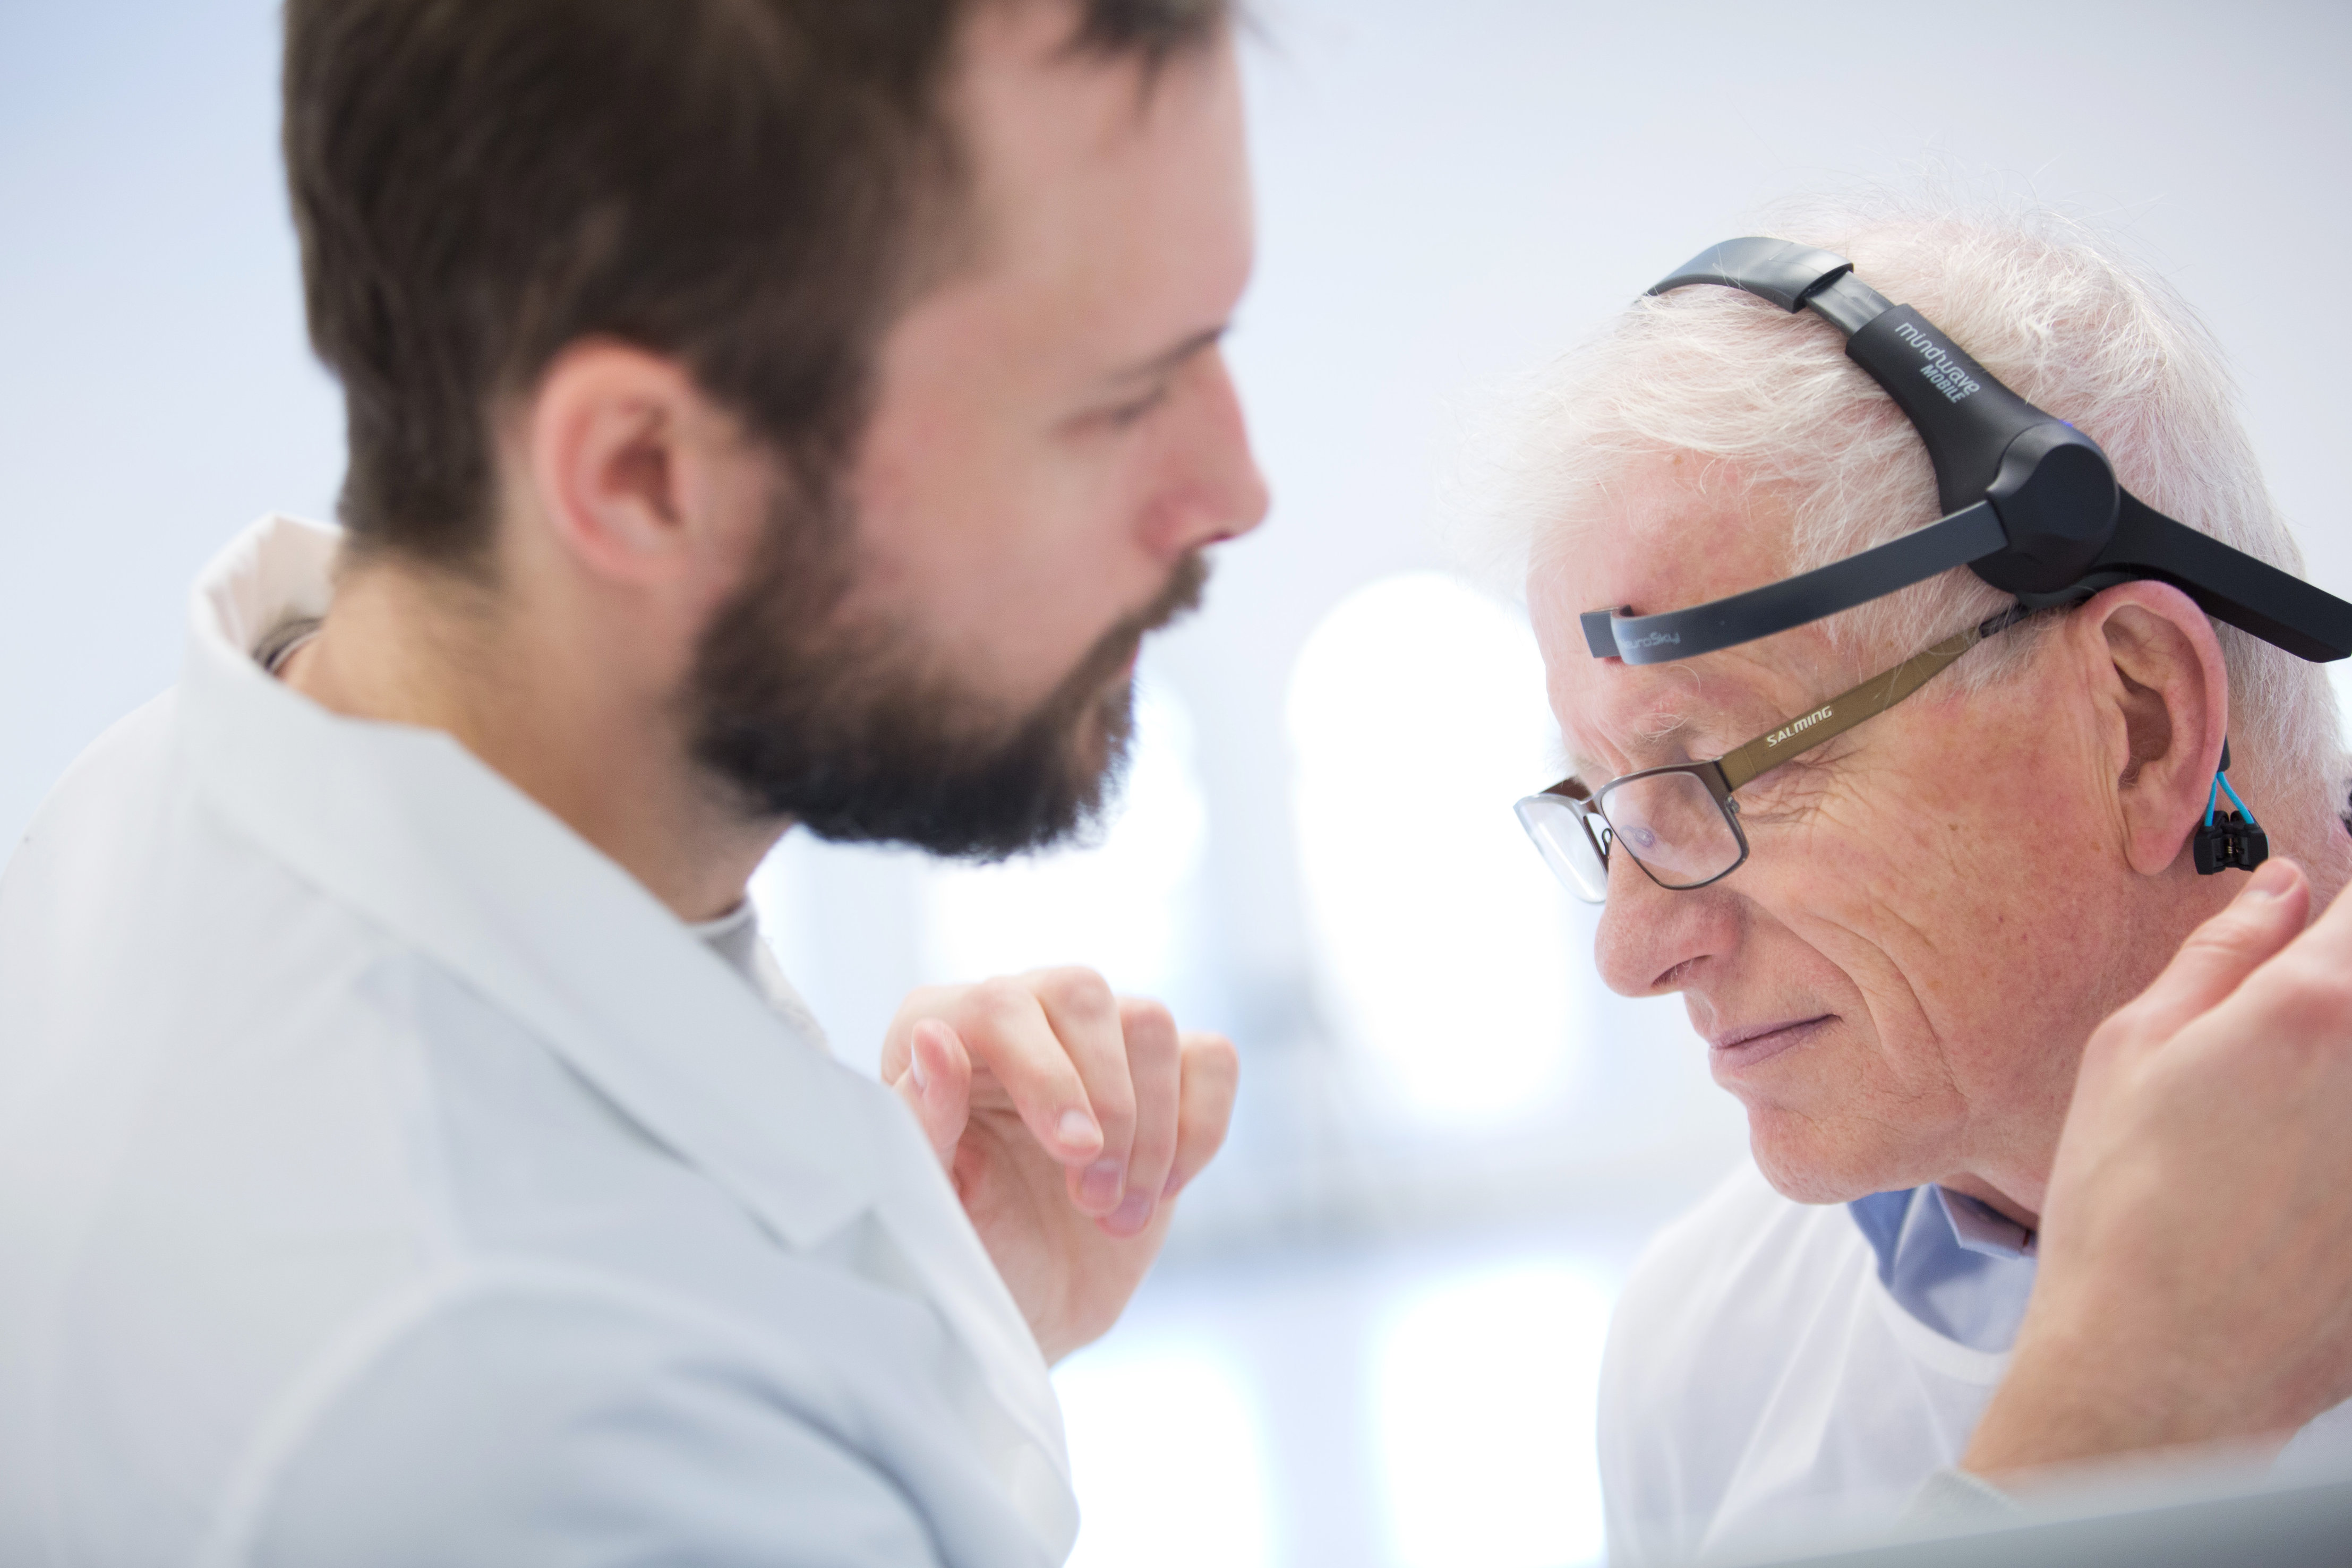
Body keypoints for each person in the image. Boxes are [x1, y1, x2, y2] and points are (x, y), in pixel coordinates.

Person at [0, 2, 1258, 1564]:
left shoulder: (180, 796)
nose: (1233, 492)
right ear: (645, 476)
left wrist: (925, 1327)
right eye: (1118, 399)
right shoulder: (503, 1409)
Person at [1496, 192, 2352, 1561]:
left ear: (2138, 721)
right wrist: (2127, 1419)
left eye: (1730, 771)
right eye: (1611, 811)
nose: (1634, 953)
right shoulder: (1707, 1348)